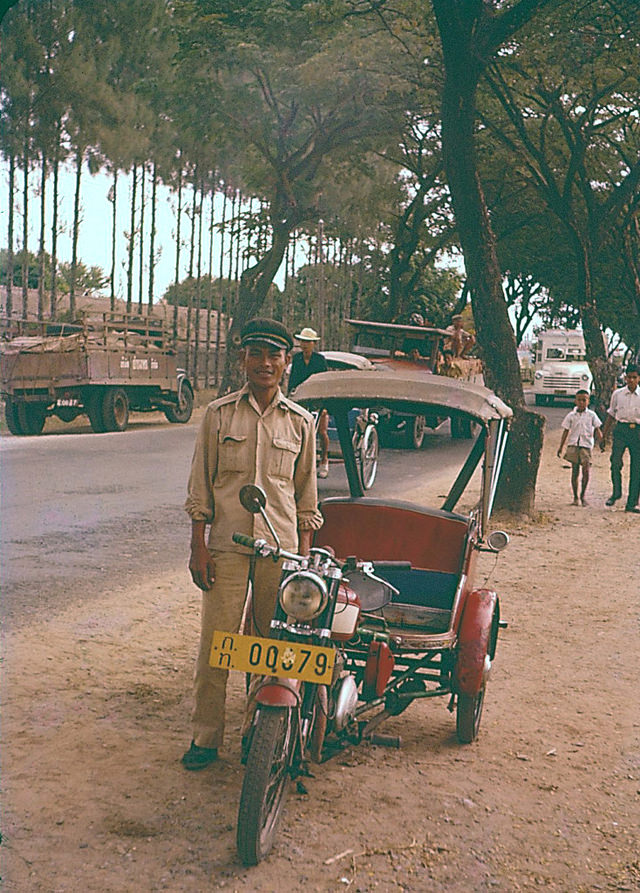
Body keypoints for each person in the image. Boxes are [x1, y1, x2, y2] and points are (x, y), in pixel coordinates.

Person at [182, 318, 323, 769]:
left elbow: (306, 498)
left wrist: (302, 558)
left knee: (268, 644)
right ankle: (205, 738)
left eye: (275, 355)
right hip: (225, 547)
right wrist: (197, 546)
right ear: (242, 358)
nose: (265, 363)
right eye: (256, 353)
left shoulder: (301, 423)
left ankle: (255, 733)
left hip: (280, 553)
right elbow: (201, 487)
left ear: (286, 363)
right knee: (217, 644)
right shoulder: (219, 414)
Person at [287, 326, 330, 478]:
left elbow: (324, 381)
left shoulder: (320, 360)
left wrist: (324, 406)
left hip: (318, 400)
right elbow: (293, 381)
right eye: (302, 341)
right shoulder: (297, 359)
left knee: (321, 430)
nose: (304, 344)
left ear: (313, 343)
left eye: (307, 342)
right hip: (302, 399)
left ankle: (324, 460)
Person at [600, 364, 640, 513]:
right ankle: (616, 493)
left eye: (634, 377)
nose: (631, 380)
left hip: (637, 432)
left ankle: (632, 503)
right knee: (615, 462)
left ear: (639, 378)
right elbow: (611, 414)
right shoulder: (617, 394)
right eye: (628, 377)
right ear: (625, 377)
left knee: (637, 467)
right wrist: (603, 435)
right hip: (621, 430)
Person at [557, 389, 603, 506]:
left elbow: (597, 429)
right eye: (579, 400)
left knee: (586, 470)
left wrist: (602, 442)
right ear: (575, 401)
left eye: (584, 400)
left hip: (586, 445)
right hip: (573, 445)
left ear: (588, 401)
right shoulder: (571, 415)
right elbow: (566, 431)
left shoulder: (592, 415)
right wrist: (561, 447)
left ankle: (583, 496)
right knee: (575, 471)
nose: (582, 402)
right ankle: (575, 497)